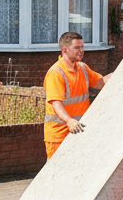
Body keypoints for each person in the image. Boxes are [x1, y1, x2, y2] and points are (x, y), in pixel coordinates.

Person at [43, 31, 111, 159]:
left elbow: (101, 83)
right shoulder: (56, 73)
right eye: (77, 47)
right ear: (65, 49)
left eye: (82, 47)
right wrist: (69, 121)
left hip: (78, 131)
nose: (81, 51)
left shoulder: (82, 68)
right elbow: (56, 104)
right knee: (58, 173)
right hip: (59, 135)